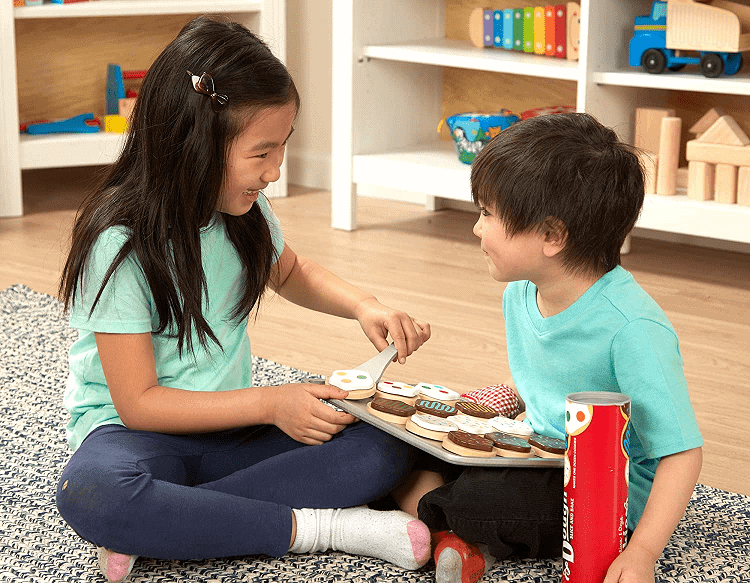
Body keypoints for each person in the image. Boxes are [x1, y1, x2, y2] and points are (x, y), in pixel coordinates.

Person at [55, 16, 432, 583]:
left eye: (282, 150)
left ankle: (176, 522)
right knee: (93, 494)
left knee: (384, 445)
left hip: (225, 432)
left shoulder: (244, 214)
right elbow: (139, 403)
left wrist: (364, 304)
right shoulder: (121, 243)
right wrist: (271, 403)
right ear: (196, 143)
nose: (275, 172)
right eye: (262, 154)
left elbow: (292, 271)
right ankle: (322, 529)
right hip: (133, 436)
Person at [397, 112, 704, 583]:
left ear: (552, 235)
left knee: (483, 499)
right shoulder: (520, 292)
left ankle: (435, 526)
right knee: (410, 442)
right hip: (541, 454)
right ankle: (452, 529)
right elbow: (547, 381)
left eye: (487, 214)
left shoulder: (634, 328)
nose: (477, 229)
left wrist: (641, 552)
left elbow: (681, 453)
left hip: (605, 496)